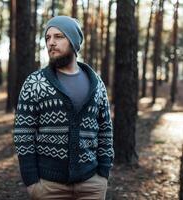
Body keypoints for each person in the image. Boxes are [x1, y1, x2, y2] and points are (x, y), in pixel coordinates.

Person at [13, 15, 114, 200]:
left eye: (59, 37)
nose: (51, 43)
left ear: (74, 42)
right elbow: (23, 133)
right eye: (48, 38)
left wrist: (103, 172)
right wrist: (31, 182)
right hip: (49, 187)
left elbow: (105, 129)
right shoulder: (35, 83)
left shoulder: (96, 83)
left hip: (92, 184)